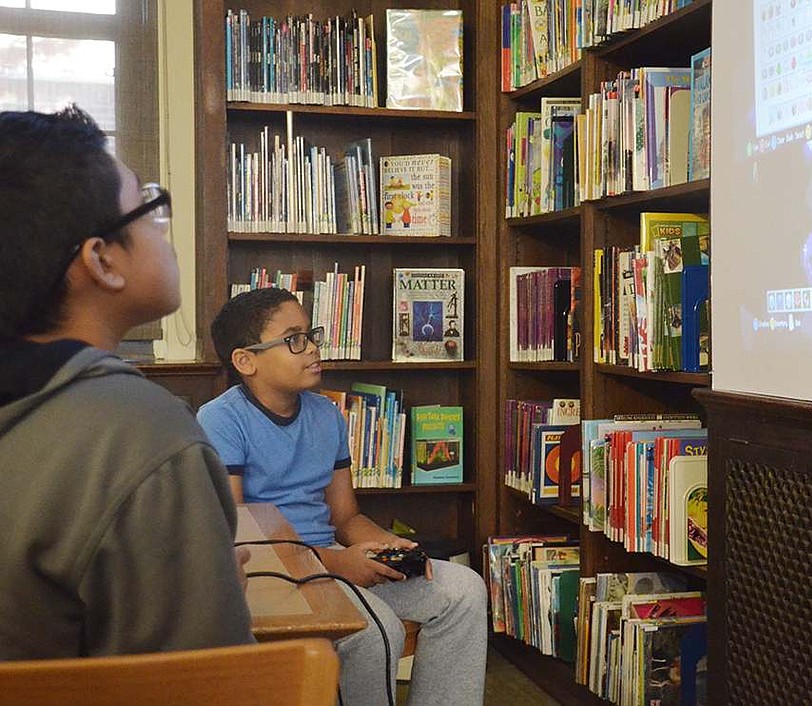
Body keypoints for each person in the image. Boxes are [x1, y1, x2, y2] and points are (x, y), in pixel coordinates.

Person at [0, 105, 254, 659]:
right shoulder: (143, 435)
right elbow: (204, 687)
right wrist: (219, 599)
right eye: (148, 209)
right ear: (101, 261)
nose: (165, 233)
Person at [197, 287, 487, 706]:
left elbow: (346, 518)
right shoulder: (220, 420)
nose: (313, 348)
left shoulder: (327, 414)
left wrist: (387, 545)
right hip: (271, 573)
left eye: (311, 334)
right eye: (294, 340)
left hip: (332, 558)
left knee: (464, 590)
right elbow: (242, 536)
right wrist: (337, 564)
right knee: (377, 629)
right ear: (246, 361)